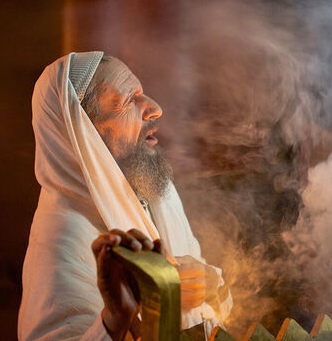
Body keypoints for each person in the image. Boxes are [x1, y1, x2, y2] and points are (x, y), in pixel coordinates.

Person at [18, 51, 232, 341]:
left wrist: (209, 283)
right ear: (84, 131)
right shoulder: (62, 235)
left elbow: (214, 309)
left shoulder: (159, 195)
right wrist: (114, 321)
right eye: (129, 101)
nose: (155, 109)